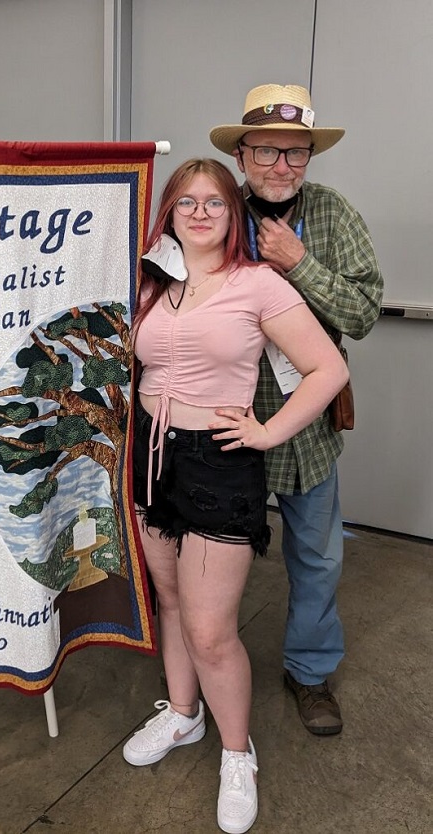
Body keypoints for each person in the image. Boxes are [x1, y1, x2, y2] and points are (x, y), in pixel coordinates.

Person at [122, 157, 349, 834]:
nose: (199, 213)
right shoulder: (153, 281)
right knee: (169, 602)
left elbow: (327, 368)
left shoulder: (257, 285)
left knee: (211, 629)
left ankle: (236, 752)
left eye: (214, 203)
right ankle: (185, 717)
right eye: (185, 202)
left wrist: (268, 430)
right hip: (150, 459)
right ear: (169, 213)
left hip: (220, 464)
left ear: (233, 215)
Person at [209, 84, 383, 736]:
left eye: (297, 153)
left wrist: (301, 263)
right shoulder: (212, 210)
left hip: (305, 427)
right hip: (223, 426)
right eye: (268, 151)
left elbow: (364, 314)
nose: (282, 166)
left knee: (317, 555)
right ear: (242, 152)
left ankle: (309, 674)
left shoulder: (333, 215)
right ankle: (206, 664)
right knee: (210, 557)